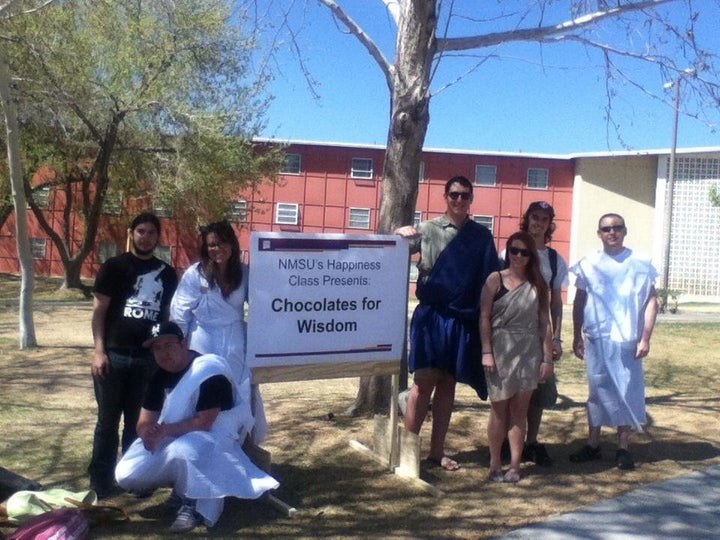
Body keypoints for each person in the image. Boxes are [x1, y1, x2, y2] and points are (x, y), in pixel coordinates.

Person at [115, 321, 279, 533]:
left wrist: (163, 431)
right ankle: (181, 485)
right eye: (157, 347)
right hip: (176, 431)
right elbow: (145, 420)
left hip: (218, 433)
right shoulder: (159, 375)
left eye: (169, 345)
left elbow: (204, 422)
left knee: (184, 450)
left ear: (183, 344)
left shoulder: (209, 370)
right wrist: (147, 433)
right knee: (126, 473)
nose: (163, 352)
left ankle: (192, 503)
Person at [396, 175, 499, 471]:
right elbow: (396, 247)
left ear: (471, 200)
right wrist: (398, 231)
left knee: (447, 386)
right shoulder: (427, 229)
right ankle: (408, 451)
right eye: (454, 194)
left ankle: (436, 451)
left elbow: (491, 280)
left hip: (461, 321)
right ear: (446, 196)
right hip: (431, 317)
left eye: (465, 195)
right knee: (422, 384)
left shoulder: (481, 236)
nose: (459, 200)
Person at [88, 212, 178, 499]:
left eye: (152, 232)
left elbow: (167, 317)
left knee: (138, 423)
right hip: (113, 356)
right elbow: (99, 311)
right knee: (107, 422)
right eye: (141, 231)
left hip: (147, 360)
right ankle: (101, 481)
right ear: (131, 233)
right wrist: (99, 351)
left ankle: (134, 477)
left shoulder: (167, 273)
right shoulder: (114, 267)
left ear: (158, 237)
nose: (146, 237)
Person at [570, 213, 658, 470]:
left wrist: (645, 337)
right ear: (599, 233)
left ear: (624, 230)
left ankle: (623, 447)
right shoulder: (589, 263)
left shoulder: (640, 262)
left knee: (627, 391)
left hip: (628, 339)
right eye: (606, 229)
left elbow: (651, 301)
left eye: (617, 228)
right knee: (597, 391)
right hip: (597, 337)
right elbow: (579, 301)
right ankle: (593, 443)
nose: (612, 232)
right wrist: (577, 334)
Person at [170, 220, 266, 441]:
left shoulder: (244, 273)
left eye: (221, 243)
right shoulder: (196, 274)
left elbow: (260, 307)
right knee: (202, 388)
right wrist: (178, 345)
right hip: (202, 338)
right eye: (211, 245)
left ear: (232, 244)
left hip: (233, 339)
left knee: (236, 387)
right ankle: (199, 440)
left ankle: (235, 441)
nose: (216, 249)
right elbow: (180, 311)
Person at [498, 201, 569, 467]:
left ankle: (532, 443)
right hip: (509, 334)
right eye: (534, 217)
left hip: (539, 335)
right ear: (526, 219)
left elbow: (556, 302)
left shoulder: (553, 259)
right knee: (509, 390)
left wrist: (557, 338)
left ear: (550, 224)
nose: (538, 222)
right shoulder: (508, 251)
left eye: (544, 218)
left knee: (537, 391)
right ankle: (506, 441)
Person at [480, 231, 554, 483]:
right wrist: (487, 352)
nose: (519, 256)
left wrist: (546, 358)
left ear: (531, 255)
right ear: (508, 252)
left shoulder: (538, 284)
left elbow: (545, 323)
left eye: (524, 252)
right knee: (499, 409)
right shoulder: (495, 279)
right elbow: (484, 318)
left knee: (519, 412)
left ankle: (514, 465)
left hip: (529, 351)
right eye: (514, 250)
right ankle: (494, 463)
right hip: (500, 349)